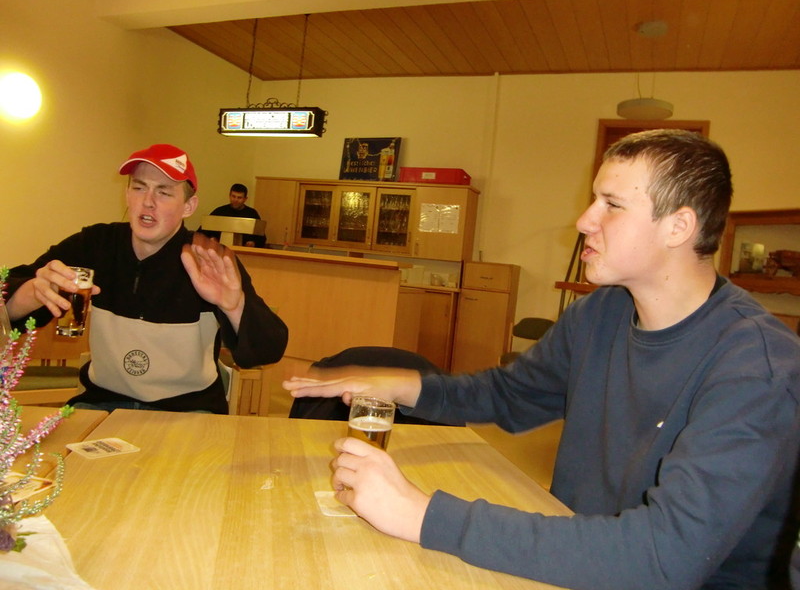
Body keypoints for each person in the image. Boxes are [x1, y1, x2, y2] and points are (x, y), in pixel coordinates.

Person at [284, 129, 800, 589]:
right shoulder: (600, 313)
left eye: (611, 204)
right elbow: (510, 396)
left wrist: (422, 516)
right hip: (578, 560)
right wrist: (398, 384)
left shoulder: (758, 366)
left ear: (678, 227)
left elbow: (666, 557)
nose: (584, 220)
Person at [5, 144, 288, 414]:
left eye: (163, 193)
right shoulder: (94, 244)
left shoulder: (208, 259)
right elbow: (8, 303)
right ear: (127, 194)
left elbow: (266, 352)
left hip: (188, 410)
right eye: (139, 188)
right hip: (102, 403)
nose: (148, 202)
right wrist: (32, 292)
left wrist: (234, 306)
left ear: (188, 206)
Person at [203, 183, 265, 247]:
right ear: (229, 196)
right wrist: (211, 239)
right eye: (233, 196)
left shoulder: (252, 214)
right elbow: (202, 232)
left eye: (239, 197)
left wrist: (253, 243)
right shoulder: (220, 212)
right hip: (220, 249)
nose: (235, 200)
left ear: (245, 199)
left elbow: (262, 238)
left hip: (244, 250)